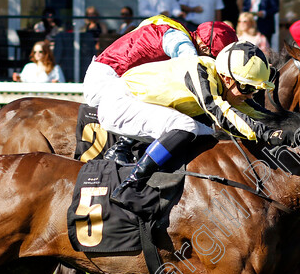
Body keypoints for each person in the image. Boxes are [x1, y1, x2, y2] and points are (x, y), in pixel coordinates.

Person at [110, 42, 290, 210]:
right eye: (248, 88)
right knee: (187, 126)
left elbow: (255, 112)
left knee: (207, 134)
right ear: (227, 79)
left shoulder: (222, 79)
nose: (251, 95)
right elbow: (222, 115)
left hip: (144, 106)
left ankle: (165, 184)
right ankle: (130, 186)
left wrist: (290, 126)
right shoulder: (200, 71)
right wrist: (268, 135)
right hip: (119, 103)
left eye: (255, 90)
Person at [83, 16, 238, 164]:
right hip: (105, 84)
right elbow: (191, 78)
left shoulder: (177, 30)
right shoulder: (183, 45)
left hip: (105, 76)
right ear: (204, 46)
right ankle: (122, 148)